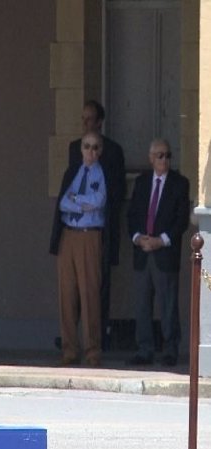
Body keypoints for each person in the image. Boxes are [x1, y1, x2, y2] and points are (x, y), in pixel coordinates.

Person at [67, 100, 126, 350]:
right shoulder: (73, 149)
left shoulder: (113, 151)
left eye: (89, 119)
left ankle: (98, 340)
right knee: (72, 287)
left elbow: (116, 192)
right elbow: (67, 190)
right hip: (74, 228)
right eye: (82, 119)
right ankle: (73, 339)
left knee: (98, 285)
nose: (85, 124)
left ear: (100, 122)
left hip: (101, 228)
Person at [126, 139, 189, 367]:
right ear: (151, 158)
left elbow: (181, 220)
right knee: (142, 303)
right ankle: (145, 349)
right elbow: (132, 215)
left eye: (168, 155)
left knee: (168, 303)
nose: (165, 160)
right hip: (143, 252)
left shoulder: (180, 183)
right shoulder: (142, 183)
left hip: (164, 253)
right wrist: (137, 238)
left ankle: (170, 349)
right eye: (160, 155)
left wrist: (161, 241)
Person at [49, 131, 107, 367]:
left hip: (89, 236)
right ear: (81, 149)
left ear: (99, 151)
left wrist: (77, 201)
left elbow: (98, 202)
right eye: (86, 147)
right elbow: (63, 202)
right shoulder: (73, 172)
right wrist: (80, 202)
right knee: (67, 295)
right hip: (68, 236)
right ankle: (69, 350)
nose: (90, 152)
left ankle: (93, 351)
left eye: (94, 148)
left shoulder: (101, 173)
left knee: (89, 293)